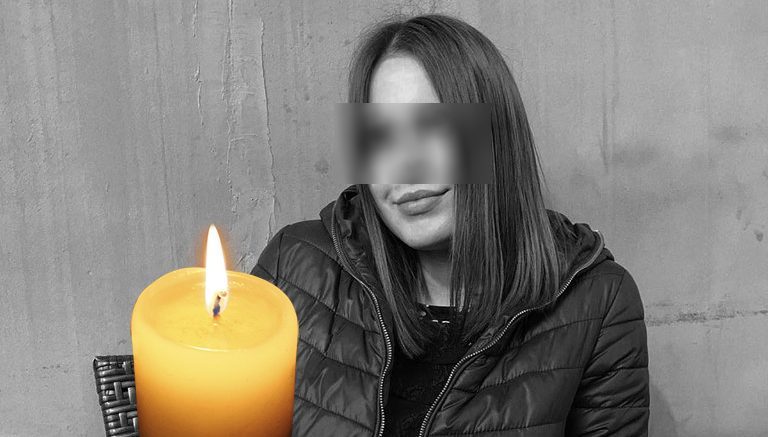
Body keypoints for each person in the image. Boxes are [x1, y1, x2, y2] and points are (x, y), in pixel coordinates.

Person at [251, 13, 649, 437]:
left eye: (432, 127)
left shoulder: (597, 302)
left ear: (496, 136)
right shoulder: (294, 267)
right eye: (381, 136)